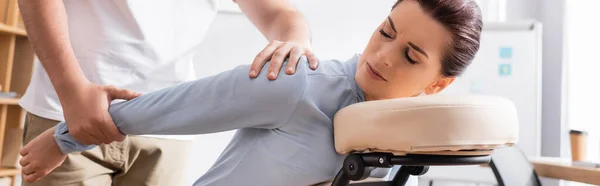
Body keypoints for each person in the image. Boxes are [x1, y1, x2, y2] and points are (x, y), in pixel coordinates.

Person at [19, 0, 483, 185]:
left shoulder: (399, 135)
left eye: (411, 56)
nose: (382, 57)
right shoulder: (300, 83)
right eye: (385, 32)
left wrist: (295, 36)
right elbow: (190, 103)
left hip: (160, 143)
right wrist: (64, 136)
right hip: (82, 106)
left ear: (439, 84)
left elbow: (281, 13)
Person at [17, 0, 318, 185]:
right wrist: (71, 93)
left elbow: (279, 11)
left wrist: (295, 40)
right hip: (67, 109)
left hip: (169, 130)